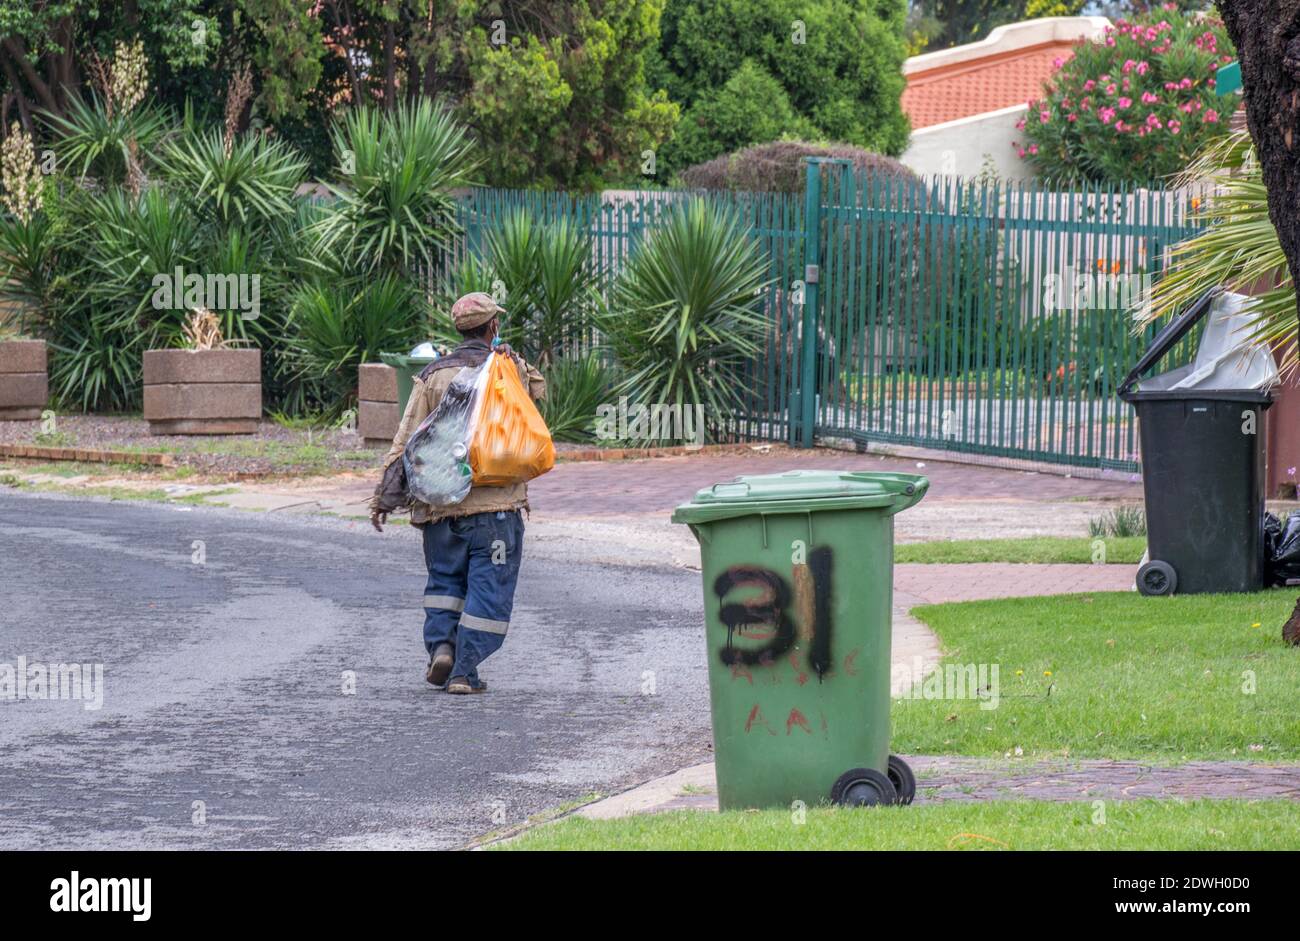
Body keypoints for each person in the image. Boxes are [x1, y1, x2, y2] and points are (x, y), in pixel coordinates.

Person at [370, 293, 545, 695]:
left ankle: (442, 648)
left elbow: (406, 439)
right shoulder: (507, 369)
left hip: (440, 510)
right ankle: (465, 671)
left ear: (457, 330)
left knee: (444, 583)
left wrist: (385, 495)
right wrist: (514, 359)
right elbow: (539, 395)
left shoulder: (432, 374)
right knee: (489, 586)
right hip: (496, 510)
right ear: (493, 327)